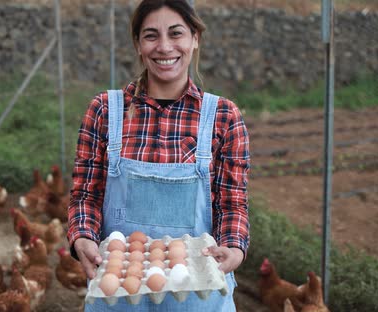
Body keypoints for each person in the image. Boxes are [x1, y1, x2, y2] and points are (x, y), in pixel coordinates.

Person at [67, 0, 250, 310]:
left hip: (197, 297)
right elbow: (85, 195)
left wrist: (234, 246)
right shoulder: (105, 111)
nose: (164, 47)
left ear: (195, 39)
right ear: (138, 44)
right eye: (151, 35)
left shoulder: (223, 116)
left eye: (176, 33)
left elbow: (232, 203)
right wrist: (81, 236)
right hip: (119, 297)